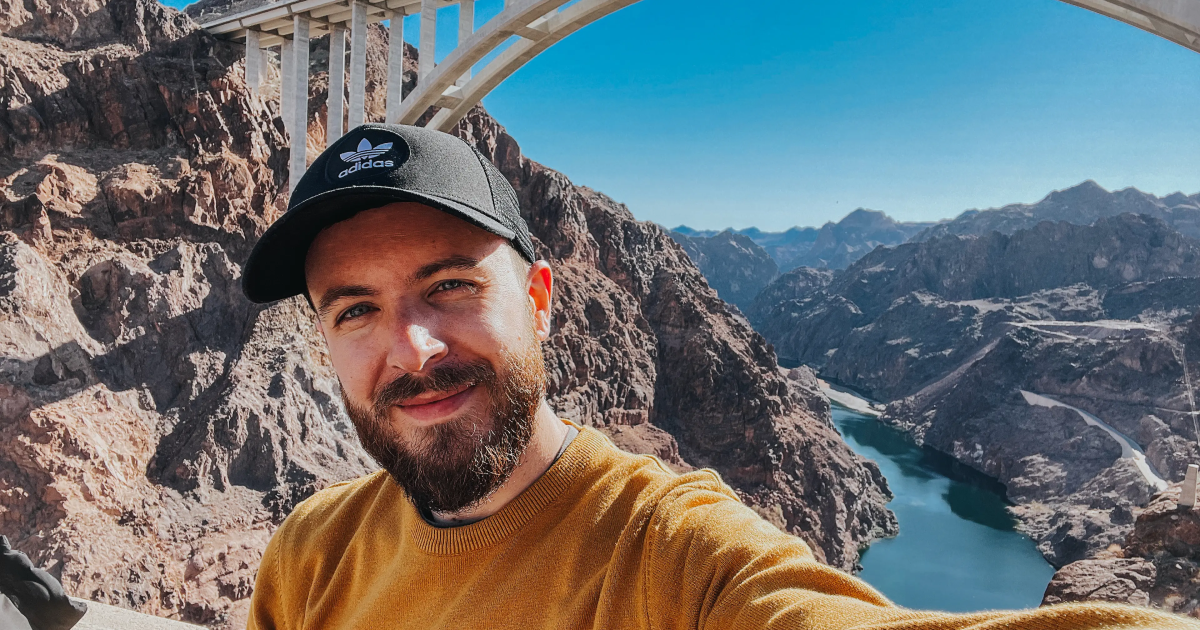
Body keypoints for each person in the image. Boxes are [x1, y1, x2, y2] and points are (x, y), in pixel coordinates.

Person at [242, 123, 1195, 630]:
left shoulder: (667, 554)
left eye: (448, 286)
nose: (410, 349)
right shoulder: (311, 556)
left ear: (539, 296)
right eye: (355, 309)